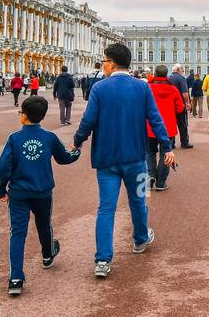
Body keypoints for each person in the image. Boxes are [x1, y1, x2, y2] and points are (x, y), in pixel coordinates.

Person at [72, 43, 175, 280]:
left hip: (106, 160)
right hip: (136, 158)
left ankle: (102, 259)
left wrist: (77, 142)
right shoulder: (142, 88)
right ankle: (140, 239)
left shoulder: (99, 88)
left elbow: (88, 122)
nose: (103, 65)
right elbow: (156, 119)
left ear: (111, 63)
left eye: (104, 61)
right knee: (139, 202)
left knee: (105, 208)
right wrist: (166, 146)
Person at [0, 94, 81, 297]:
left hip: (19, 193)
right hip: (42, 191)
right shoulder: (49, 137)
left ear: (24, 116)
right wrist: (77, 152)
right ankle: (48, 254)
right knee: (44, 224)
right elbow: (64, 158)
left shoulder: (14, 138)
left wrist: (0, 189)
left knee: (17, 233)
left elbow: (3, 166)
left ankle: (15, 277)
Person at [147, 65, 185, 190]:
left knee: (149, 152)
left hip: (149, 127)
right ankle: (161, 183)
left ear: (155, 73)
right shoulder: (173, 89)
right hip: (168, 127)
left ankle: (150, 175)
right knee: (166, 154)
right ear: (166, 74)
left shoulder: (148, 88)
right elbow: (180, 108)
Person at [169, 64, 193, 148]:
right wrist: (188, 102)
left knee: (171, 124)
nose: (183, 71)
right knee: (182, 124)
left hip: (170, 105)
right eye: (182, 70)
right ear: (179, 70)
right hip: (180, 105)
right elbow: (185, 93)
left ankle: (171, 143)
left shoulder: (168, 78)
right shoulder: (181, 78)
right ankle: (184, 142)